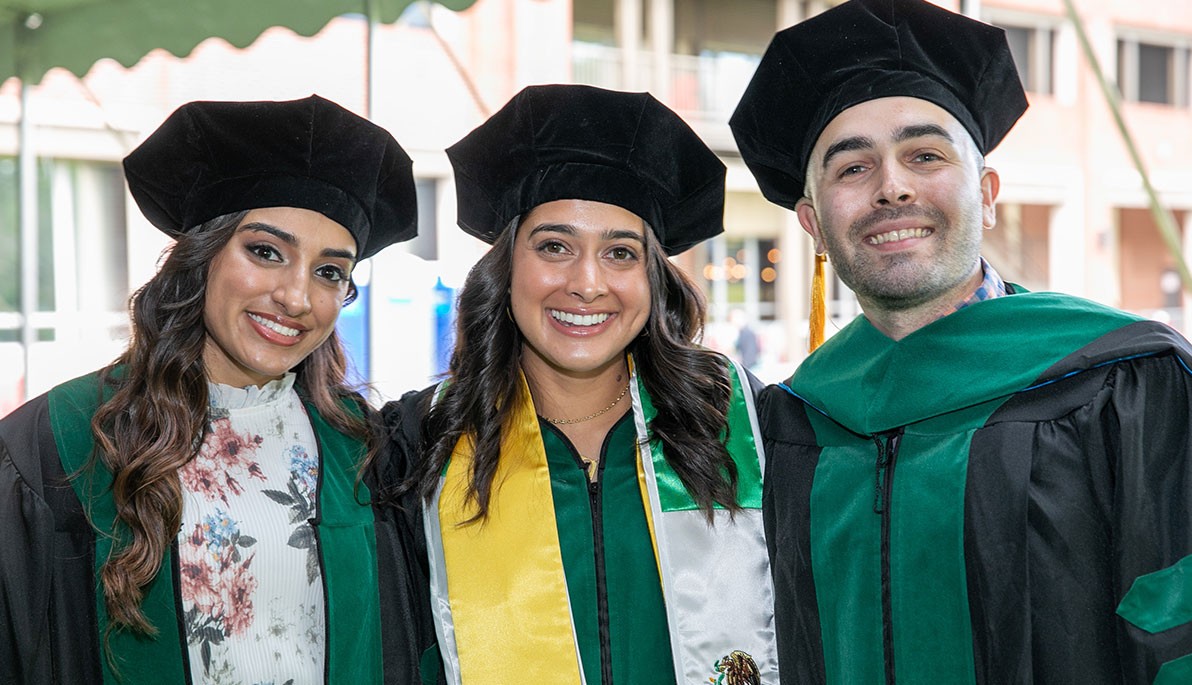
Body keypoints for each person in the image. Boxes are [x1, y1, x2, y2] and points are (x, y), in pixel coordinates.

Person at [729, 0, 1192, 682]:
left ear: (987, 192)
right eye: (852, 168)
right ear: (813, 224)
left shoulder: (1126, 385)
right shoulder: (790, 423)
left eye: (924, 154)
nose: (892, 187)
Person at [0, 95, 438, 684]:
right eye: (266, 252)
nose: (297, 297)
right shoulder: (57, 443)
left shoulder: (363, 452)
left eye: (330, 271)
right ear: (203, 255)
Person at [382, 84, 778, 684]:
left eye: (620, 253)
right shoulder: (419, 445)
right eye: (555, 246)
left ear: (652, 281)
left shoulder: (744, 425)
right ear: (507, 266)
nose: (587, 283)